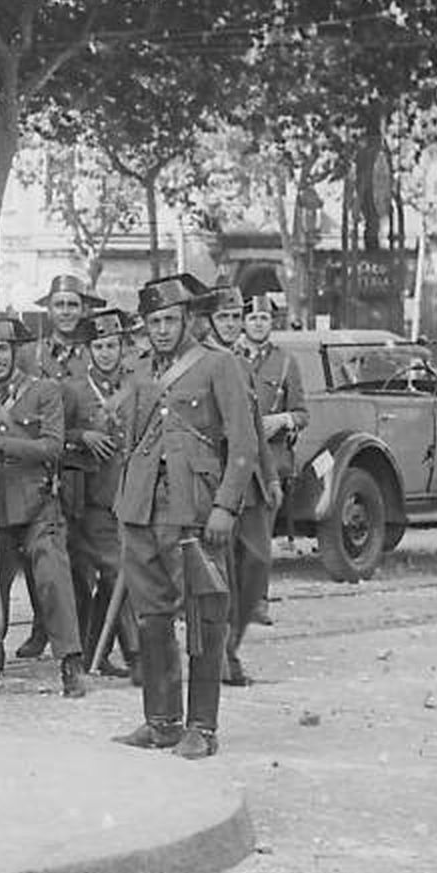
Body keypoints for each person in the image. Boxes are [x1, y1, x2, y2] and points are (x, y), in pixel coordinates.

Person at [110, 273, 259, 759]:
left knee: (204, 619)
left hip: (193, 508)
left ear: (189, 320)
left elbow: (243, 442)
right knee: (151, 617)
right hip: (141, 507)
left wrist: (225, 506)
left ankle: (202, 727)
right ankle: (162, 722)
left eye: (170, 320)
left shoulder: (219, 365)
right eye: (154, 322)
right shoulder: (139, 370)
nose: (162, 330)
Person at [0, 317, 87, 697]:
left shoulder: (44, 391)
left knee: (53, 579)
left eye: (2, 349)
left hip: (39, 504)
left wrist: (0, 445)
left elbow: (53, 447)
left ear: (15, 352)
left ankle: (70, 661)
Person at [15, 273, 106, 661]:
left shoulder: (96, 351)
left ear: (83, 309)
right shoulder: (29, 356)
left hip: (83, 470)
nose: (66, 312)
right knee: (38, 553)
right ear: (48, 310)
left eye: (73, 305)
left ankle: (82, 637)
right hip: (40, 466)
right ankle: (42, 627)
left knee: (82, 555)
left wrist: (81, 436)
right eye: (59, 305)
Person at [229, 293, 306, 684]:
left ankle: (256, 601)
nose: (258, 324)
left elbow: (303, 413)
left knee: (259, 551)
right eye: (252, 318)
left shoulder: (286, 362)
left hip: (269, 465)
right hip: (230, 464)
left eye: (264, 318)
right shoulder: (229, 357)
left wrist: (284, 419)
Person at [61, 309, 141, 678]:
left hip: (130, 494)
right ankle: (137, 654)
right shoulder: (73, 389)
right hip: (90, 498)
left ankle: (98, 651)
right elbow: (54, 435)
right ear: (87, 350)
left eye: (111, 346)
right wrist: (83, 436)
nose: (105, 353)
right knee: (113, 571)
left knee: (118, 576)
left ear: (123, 348)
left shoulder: (136, 386)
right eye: (98, 347)